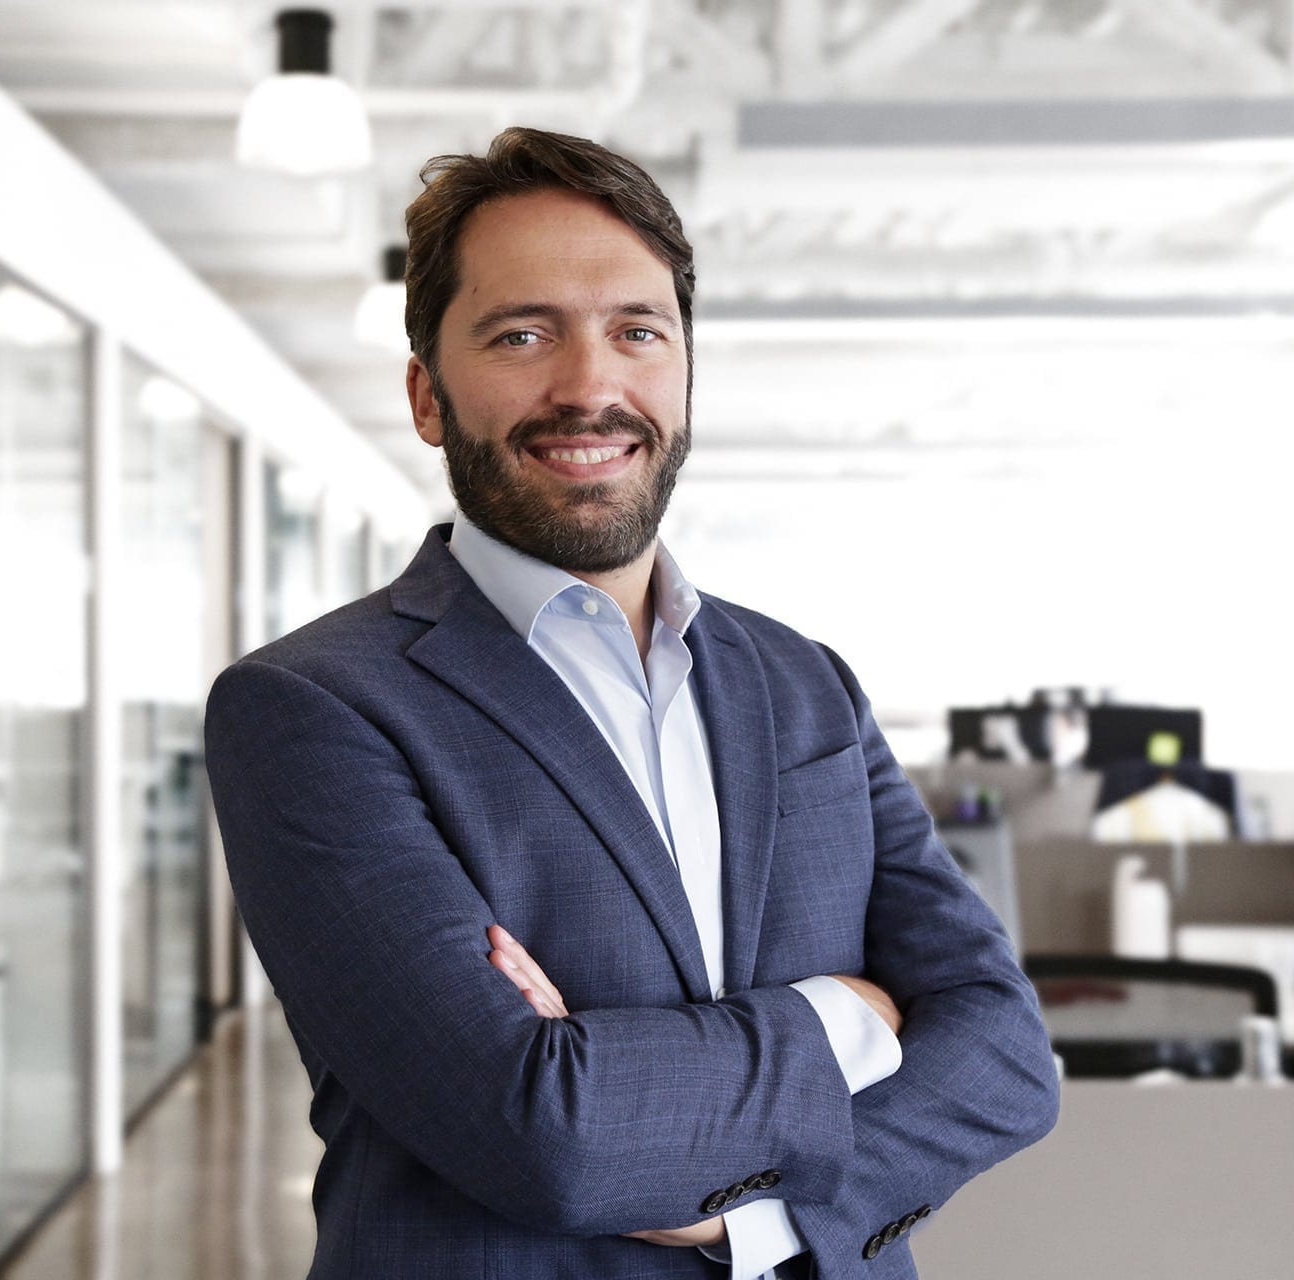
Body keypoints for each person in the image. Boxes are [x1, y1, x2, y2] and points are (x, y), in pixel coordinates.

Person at [204, 126, 1057, 1280]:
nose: (590, 386)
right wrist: (847, 1014)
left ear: (684, 371)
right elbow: (543, 1131)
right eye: (522, 333)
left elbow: (1005, 1051)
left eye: (637, 331)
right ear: (426, 394)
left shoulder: (804, 681)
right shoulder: (312, 706)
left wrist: (755, 1218)